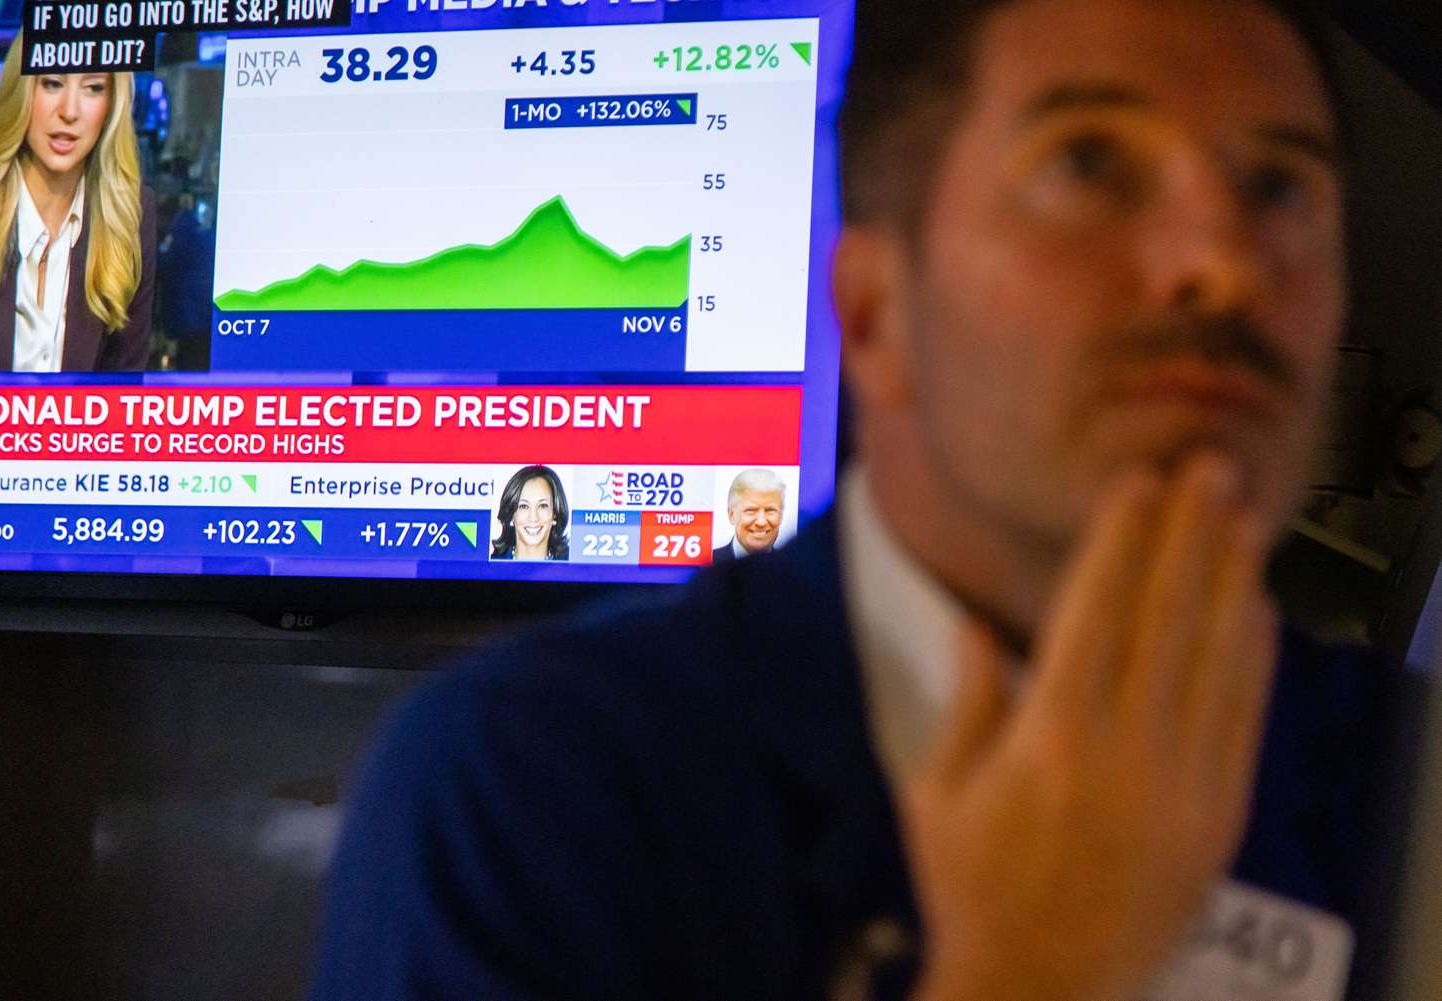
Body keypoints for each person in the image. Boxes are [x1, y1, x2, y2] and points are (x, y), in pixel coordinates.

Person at [312, 2, 1422, 1000]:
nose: (1221, 261)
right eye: (1090, 162)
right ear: (877, 313)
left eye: (1281, 184)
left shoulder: (1405, 781)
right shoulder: (535, 786)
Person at [0, 34, 155, 372]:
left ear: (112, 104)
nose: (69, 112)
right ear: (22, 91)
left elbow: (122, 395)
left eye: (93, 88)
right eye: (52, 83)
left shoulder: (130, 215)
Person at [490, 465, 570, 561]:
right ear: (511, 515)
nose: (533, 518)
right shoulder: (491, 565)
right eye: (524, 506)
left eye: (542, 506)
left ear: (555, 514)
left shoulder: (573, 566)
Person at [711, 468, 787, 563]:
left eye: (770, 510)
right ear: (732, 515)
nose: (761, 522)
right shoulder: (708, 564)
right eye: (751, 511)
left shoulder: (794, 569)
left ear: (781, 516)